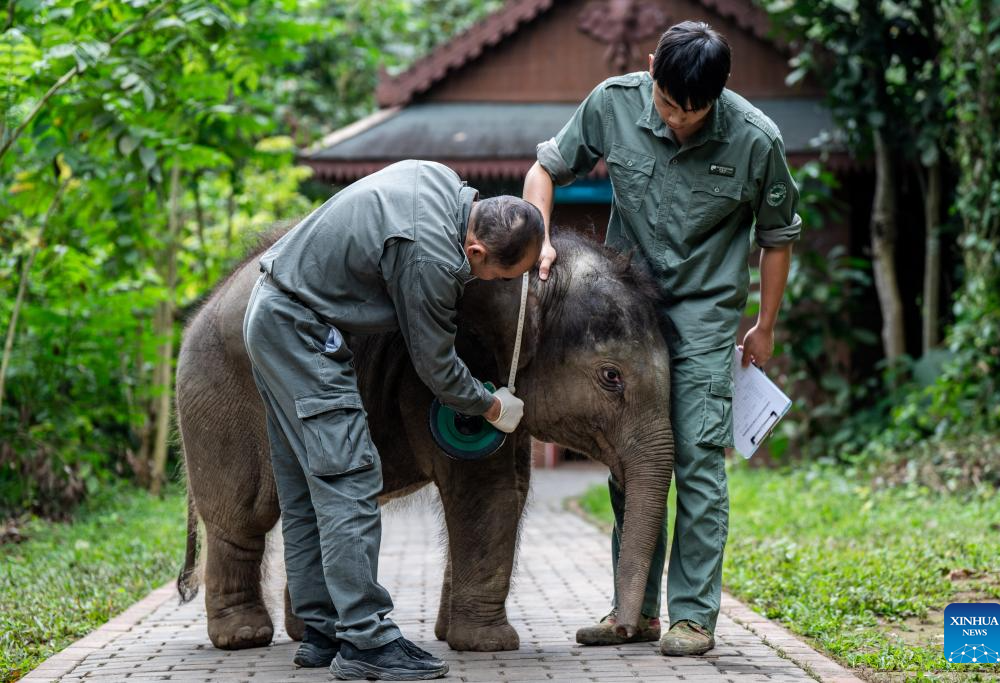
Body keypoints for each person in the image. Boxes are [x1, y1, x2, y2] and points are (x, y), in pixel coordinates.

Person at [523, 21, 801, 656]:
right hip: (626, 312)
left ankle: (693, 616)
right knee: (632, 458)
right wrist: (539, 237)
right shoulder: (612, 102)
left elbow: (779, 237)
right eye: (667, 103)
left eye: (692, 110)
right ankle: (634, 611)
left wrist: (765, 326)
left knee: (696, 458)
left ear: (719, 95)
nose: (677, 120)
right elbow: (545, 170)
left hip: (705, 314)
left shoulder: (757, 140)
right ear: (650, 70)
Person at [243, 160, 543, 680]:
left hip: (271, 314)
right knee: (351, 477)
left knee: (304, 482)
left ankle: (323, 631)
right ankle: (366, 641)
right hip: (300, 331)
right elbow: (437, 368)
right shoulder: (431, 257)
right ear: (475, 252)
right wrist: (490, 405)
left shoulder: (440, 181)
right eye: (496, 275)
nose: (488, 282)